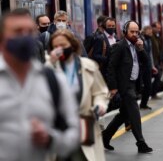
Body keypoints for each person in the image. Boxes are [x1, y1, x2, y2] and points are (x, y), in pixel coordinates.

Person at [0, 9, 79, 161]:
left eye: (29, 32)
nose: (24, 36)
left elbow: (74, 133)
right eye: (18, 31)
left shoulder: (53, 80)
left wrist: (51, 139)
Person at [47, 29, 109, 161]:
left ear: (72, 45)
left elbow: (100, 92)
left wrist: (100, 105)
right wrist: (50, 64)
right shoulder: (48, 68)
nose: (59, 50)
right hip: (58, 130)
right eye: (55, 47)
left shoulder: (88, 66)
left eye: (63, 46)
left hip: (84, 127)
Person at [102, 20, 153, 153]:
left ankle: (105, 136)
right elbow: (111, 68)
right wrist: (113, 87)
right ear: (125, 32)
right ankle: (141, 143)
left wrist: (141, 49)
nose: (135, 34)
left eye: (137, 32)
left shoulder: (138, 45)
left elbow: (147, 63)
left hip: (133, 84)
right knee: (134, 113)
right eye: (132, 32)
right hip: (124, 85)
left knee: (124, 114)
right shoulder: (119, 46)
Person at [151, 22, 163, 99]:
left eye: (160, 28)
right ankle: (153, 93)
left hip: (156, 61)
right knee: (157, 76)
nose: (159, 30)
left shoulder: (157, 36)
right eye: (158, 28)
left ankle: (153, 93)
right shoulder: (151, 37)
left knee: (158, 76)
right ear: (153, 28)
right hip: (153, 61)